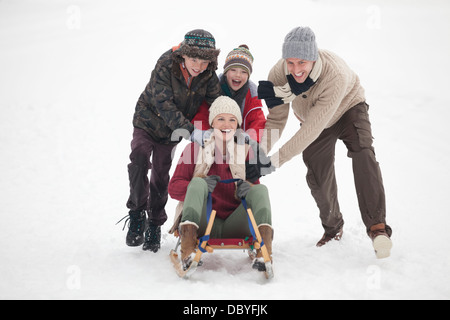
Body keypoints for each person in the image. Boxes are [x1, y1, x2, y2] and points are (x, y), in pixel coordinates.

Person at [257, 26, 392, 259]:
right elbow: (277, 120)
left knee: (363, 152)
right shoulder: (278, 75)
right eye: (290, 62)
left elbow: (312, 129)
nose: (296, 69)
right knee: (317, 169)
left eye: (302, 62)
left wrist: (275, 161)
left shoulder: (334, 75)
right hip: (312, 117)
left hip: (349, 108)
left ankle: (377, 227)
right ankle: (333, 227)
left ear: (313, 57)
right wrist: (258, 156)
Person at [123, 29, 221, 252]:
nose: (198, 66)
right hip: (148, 120)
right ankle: (137, 212)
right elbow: (163, 103)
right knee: (139, 157)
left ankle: (155, 224)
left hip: (170, 133)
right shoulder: (166, 64)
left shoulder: (208, 75)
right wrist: (191, 131)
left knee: (161, 173)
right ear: (184, 55)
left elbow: (216, 103)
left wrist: (226, 127)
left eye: (205, 61)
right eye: (194, 59)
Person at [168, 96, 273, 271]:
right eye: (221, 119)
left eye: (232, 120)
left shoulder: (246, 152)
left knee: (261, 190)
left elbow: (256, 195)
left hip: (236, 223)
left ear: (238, 125)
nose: (226, 125)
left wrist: (248, 188)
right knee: (197, 183)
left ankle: (265, 252)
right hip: (202, 221)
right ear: (212, 123)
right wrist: (199, 188)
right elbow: (173, 188)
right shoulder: (194, 149)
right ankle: (187, 250)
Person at [192, 45, 266, 143]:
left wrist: (248, 140)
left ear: (248, 76)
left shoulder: (251, 96)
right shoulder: (213, 88)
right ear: (226, 72)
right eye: (233, 70)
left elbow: (258, 122)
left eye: (243, 72)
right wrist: (206, 137)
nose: (238, 75)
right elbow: (202, 114)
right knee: (194, 150)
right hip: (213, 140)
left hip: (239, 143)